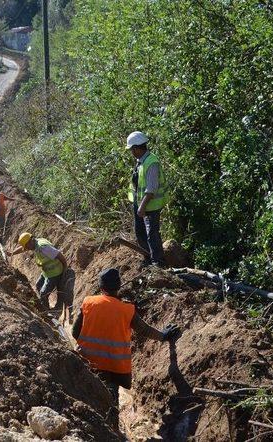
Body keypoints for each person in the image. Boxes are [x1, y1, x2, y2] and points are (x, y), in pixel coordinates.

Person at [72, 268, 180, 407]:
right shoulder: (126, 310)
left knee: (86, 401)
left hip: (87, 362)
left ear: (101, 286)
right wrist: (164, 336)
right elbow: (144, 330)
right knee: (110, 403)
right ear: (119, 286)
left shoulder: (88, 302)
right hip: (114, 368)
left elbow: (75, 332)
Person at [127, 131, 168, 267]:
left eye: (132, 150)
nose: (131, 153)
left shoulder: (152, 162)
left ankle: (158, 262)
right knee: (140, 232)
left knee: (152, 234)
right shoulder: (141, 162)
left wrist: (142, 207)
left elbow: (151, 189)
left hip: (151, 205)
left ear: (137, 148)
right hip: (141, 204)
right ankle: (148, 258)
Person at [7, 232, 70, 314]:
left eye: (26, 246)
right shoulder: (34, 243)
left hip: (54, 273)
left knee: (43, 293)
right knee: (38, 285)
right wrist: (12, 253)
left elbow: (60, 255)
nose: (26, 249)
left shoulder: (42, 247)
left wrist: (65, 269)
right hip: (47, 271)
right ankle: (45, 305)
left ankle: (50, 313)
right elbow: (23, 249)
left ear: (30, 241)